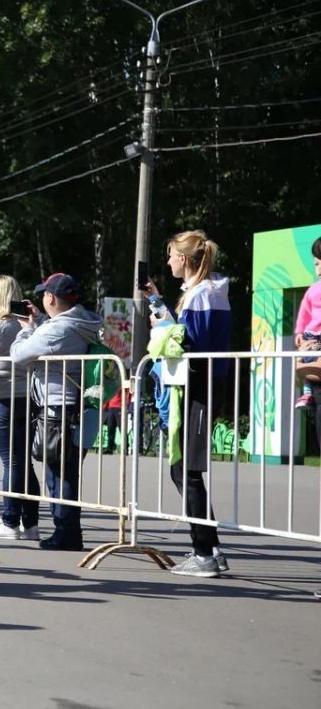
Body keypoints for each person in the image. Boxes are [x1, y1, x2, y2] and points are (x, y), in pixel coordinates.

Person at [142, 230, 232, 578]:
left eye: (170, 256)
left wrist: (163, 328)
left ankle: (204, 554)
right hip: (197, 386)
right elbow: (184, 333)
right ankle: (211, 549)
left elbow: (190, 343)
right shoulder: (201, 292)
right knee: (183, 469)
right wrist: (157, 302)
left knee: (186, 470)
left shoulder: (204, 294)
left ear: (183, 258)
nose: (167, 262)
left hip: (200, 387)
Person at [9, 273, 103, 552]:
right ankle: (67, 531)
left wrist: (27, 329)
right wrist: (39, 321)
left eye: (44, 294)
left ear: (50, 298)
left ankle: (67, 533)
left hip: (58, 407)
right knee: (65, 471)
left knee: (58, 473)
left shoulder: (59, 329)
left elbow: (19, 355)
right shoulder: (82, 322)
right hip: (77, 405)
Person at [0, 275, 41, 540]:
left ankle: (10, 521)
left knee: (10, 461)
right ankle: (31, 523)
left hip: (3, 397)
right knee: (24, 462)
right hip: (28, 397)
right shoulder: (24, 325)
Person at [292, 236, 321, 415]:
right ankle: (307, 393)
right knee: (307, 361)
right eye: (316, 264)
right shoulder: (313, 289)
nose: (319, 268)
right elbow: (304, 312)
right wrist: (299, 332)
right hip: (312, 335)